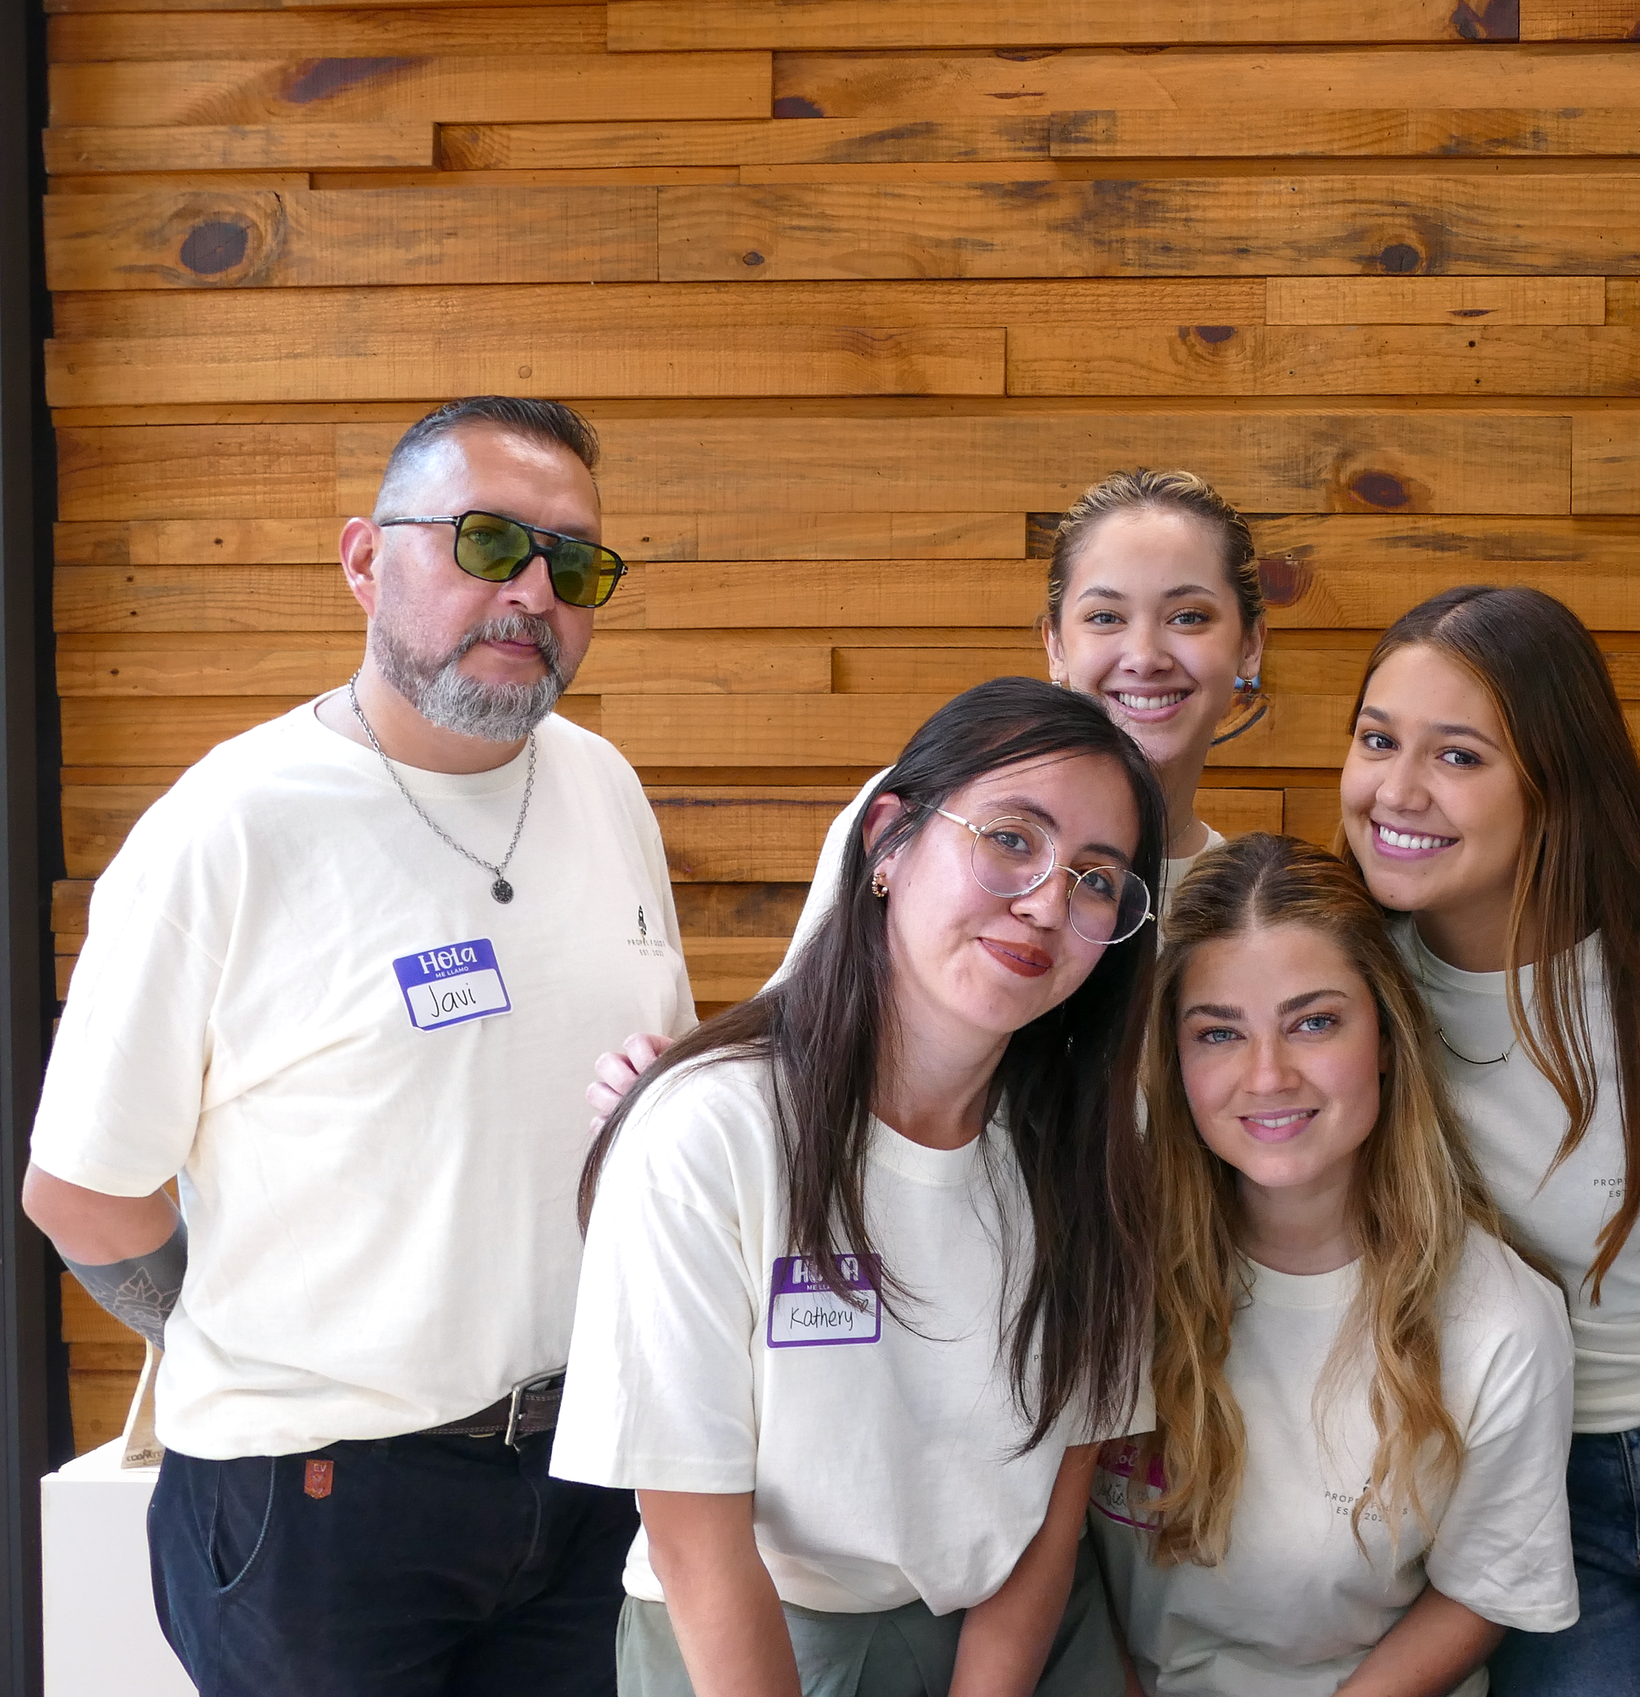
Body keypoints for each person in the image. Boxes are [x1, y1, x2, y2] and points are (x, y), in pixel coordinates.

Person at [20, 396, 694, 1695]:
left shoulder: (604, 783)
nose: (533, 592)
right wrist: (218, 1336)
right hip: (319, 1504)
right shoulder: (227, 827)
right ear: (364, 559)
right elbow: (82, 1192)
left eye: (575, 563)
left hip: (587, 1470)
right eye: (490, 544)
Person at [553, 677, 1165, 1696]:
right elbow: (696, 1543)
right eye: (1011, 837)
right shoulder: (711, 1128)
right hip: (752, 1644)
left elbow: (1057, 1499)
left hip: (1012, 1639)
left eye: (1097, 878)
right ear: (888, 842)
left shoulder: (1092, 1143)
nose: (1048, 901)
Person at [1337, 587, 1640, 1695]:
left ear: (1554, 783)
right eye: (1377, 739)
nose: (1396, 790)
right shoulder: (1351, 996)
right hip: (1526, 1487)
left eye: (1456, 755)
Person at [587, 467, 1267, 1109]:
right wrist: (686, 1083)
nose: (1145, 655)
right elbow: (808, 1016)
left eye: (1188, 617)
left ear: (1249, 646)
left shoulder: (1245, 903)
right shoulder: (928, 811)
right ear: (1056, 647)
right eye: (1104, 617)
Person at [1093, 834, 1577, 1696]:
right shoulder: (1109, 1271)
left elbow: (1482, 1589)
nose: (1269, 1075)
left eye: (1314, 1022)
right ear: (1174, 1060)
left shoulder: (1499, 1320)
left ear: (1386, 1037)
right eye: (1218, 1033)